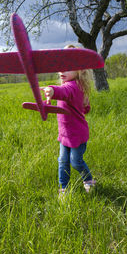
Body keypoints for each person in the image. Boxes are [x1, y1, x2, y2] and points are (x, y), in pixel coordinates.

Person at [41, 44, 96, 196]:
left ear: (79, 70)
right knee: (62, 161)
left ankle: (89, 180)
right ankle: (64, 189)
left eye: (68, 67)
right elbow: (81, 105)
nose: (62, 71)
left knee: (76, 162)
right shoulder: (72, 85)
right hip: (64, 134)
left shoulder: (73, 86)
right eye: (60, 67)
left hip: (77, 135)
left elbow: (64, 92)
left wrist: (52, 90)